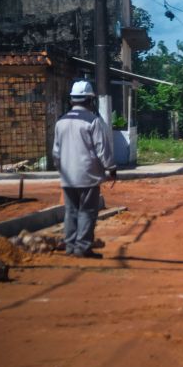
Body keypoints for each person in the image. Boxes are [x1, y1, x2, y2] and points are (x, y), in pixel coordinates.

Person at [52, 81, 117, 258]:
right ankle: (82, 247)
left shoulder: (61, 122)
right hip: (88, 176)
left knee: (71, 211)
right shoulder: (93, 121)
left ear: (72, 100)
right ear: (90, 100)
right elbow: (102, 149)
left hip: (67, 176)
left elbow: (56, 152)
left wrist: (62, 169)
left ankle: (71, 246)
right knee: (87, 212)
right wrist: (111, 168)